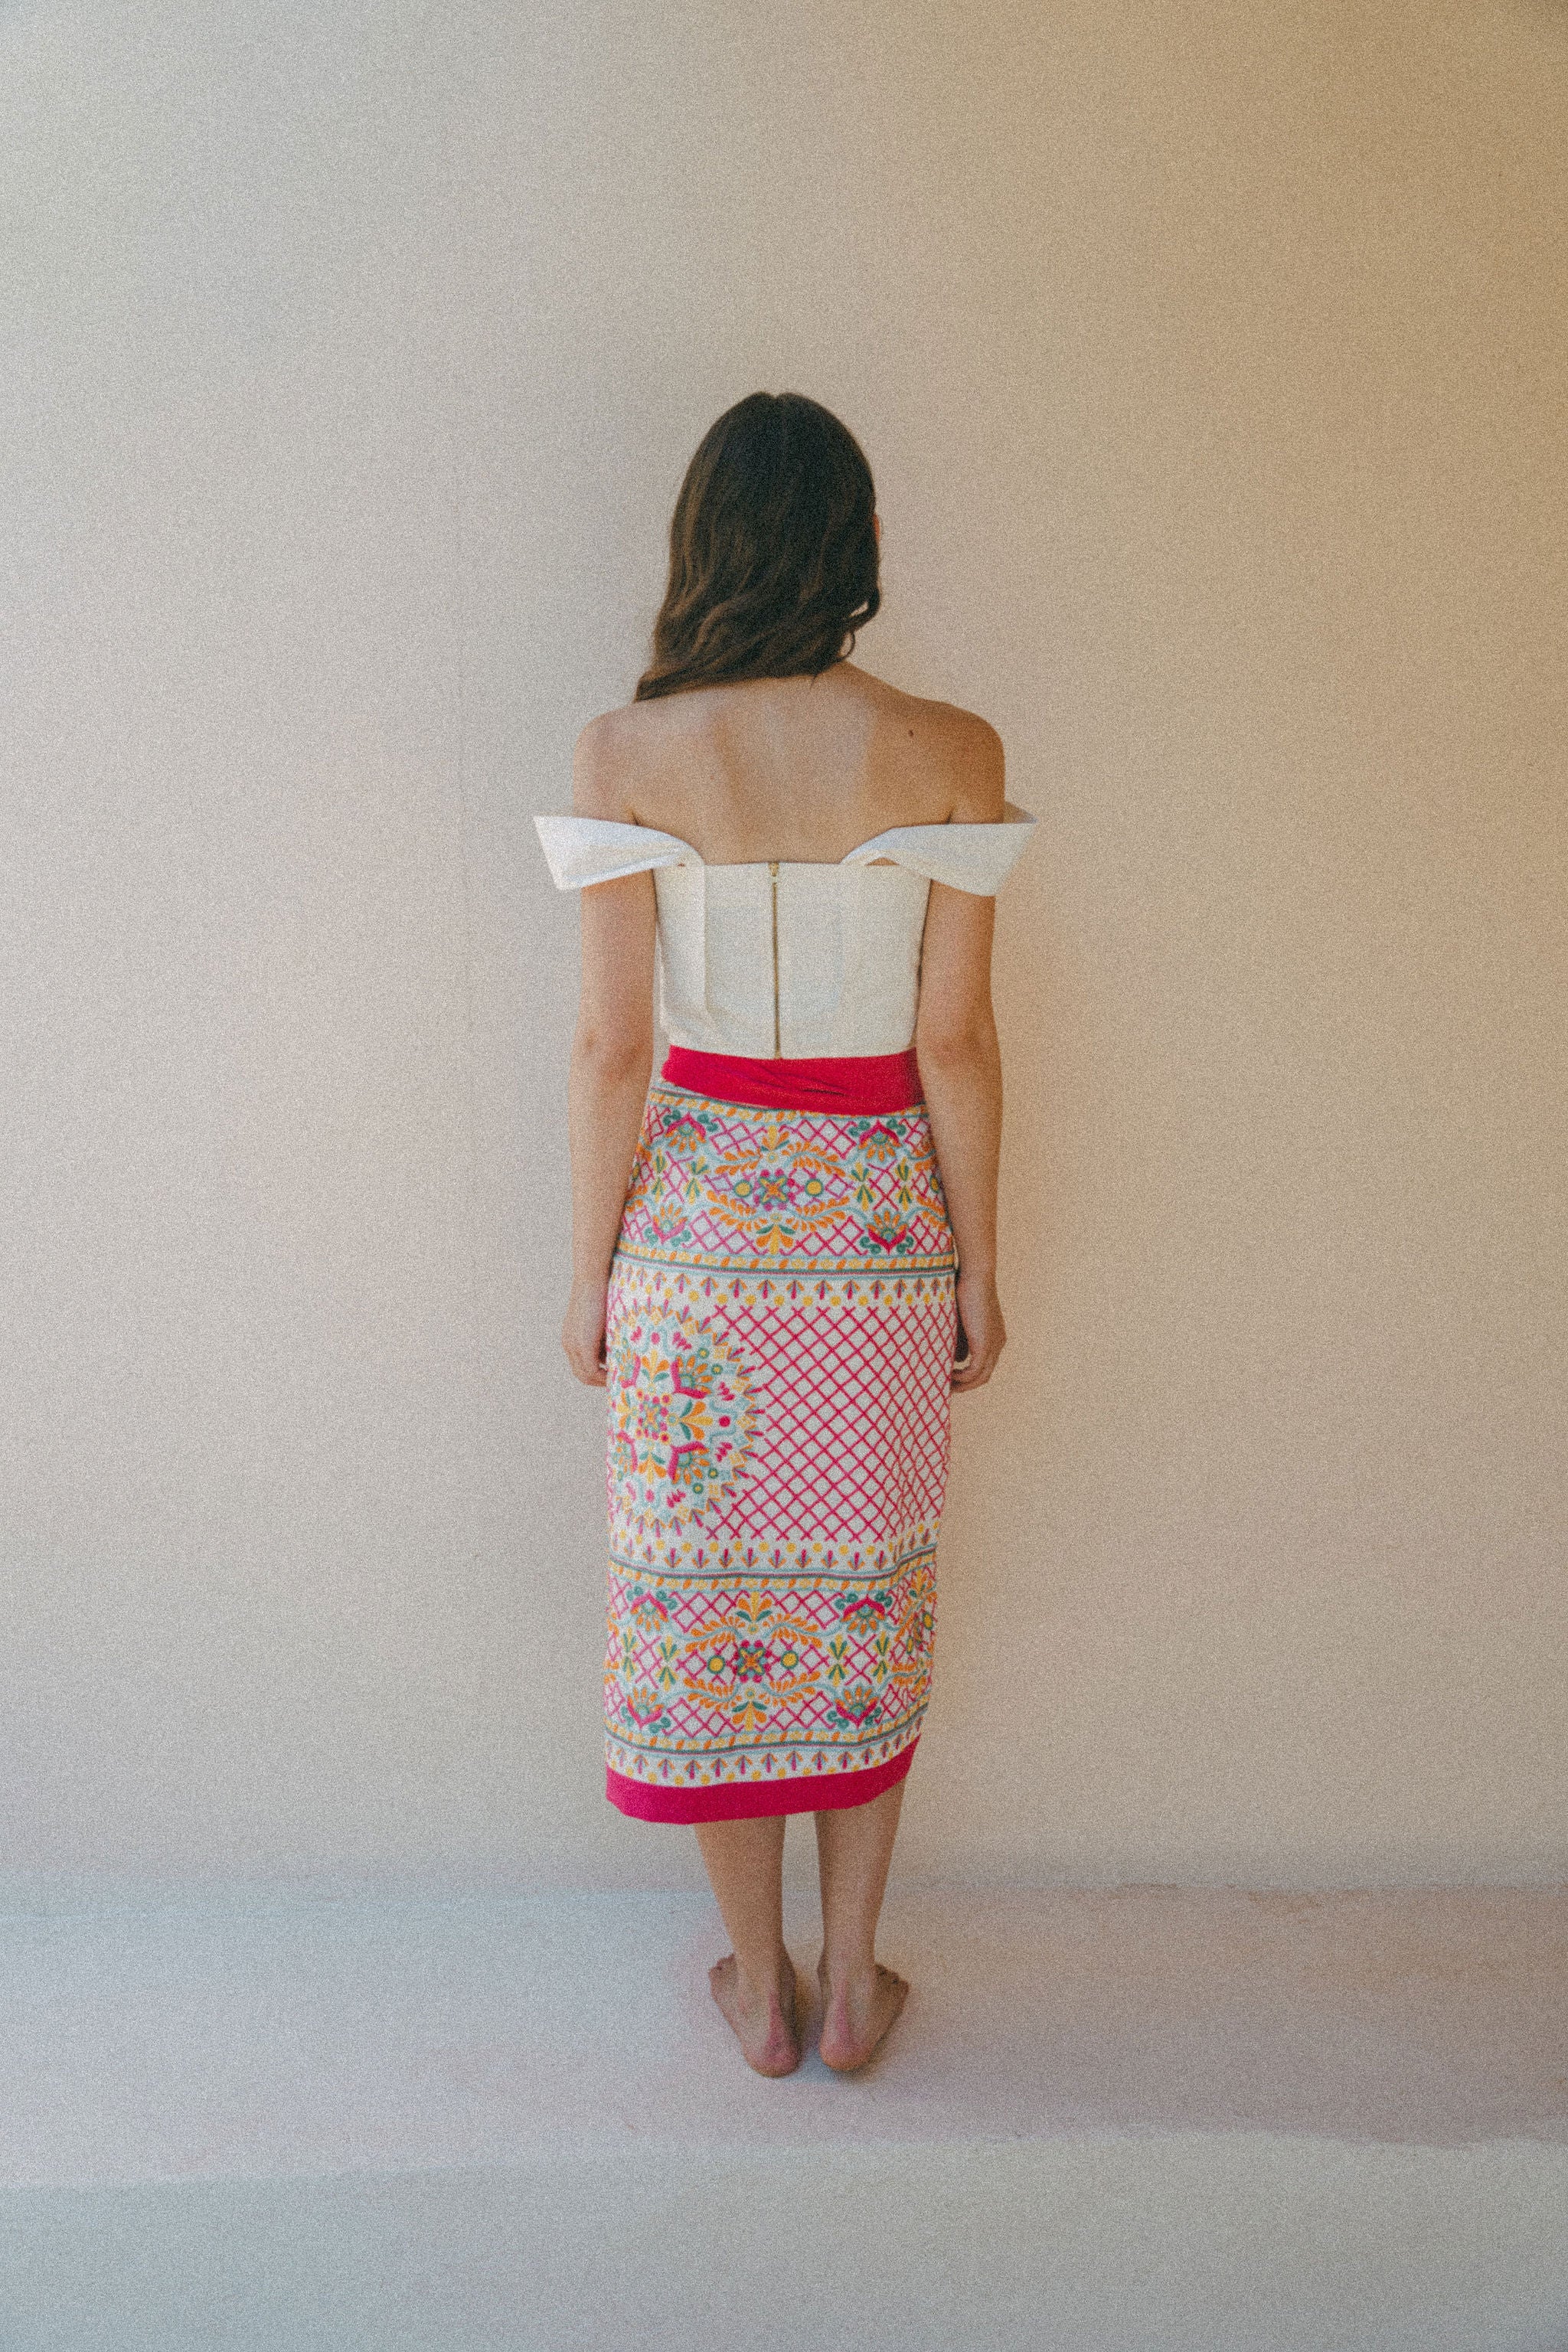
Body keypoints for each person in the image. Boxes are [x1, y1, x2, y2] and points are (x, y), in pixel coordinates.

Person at [534, 390, 1036, 2078]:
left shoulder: (624, 753)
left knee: (709, 1613)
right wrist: (979, 1268)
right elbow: (956, 1041)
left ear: (702, 543)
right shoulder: (951, 746)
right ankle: (854, 1984)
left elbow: (612, 1049)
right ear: (861, 541)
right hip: (875, 1242)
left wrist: (589, 1275)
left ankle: (759, 1989)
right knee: (862, 1600)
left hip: (695, 1249)